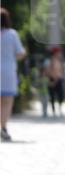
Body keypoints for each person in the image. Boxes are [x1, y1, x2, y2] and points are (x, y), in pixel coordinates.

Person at [1, 8, 26, 141]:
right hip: (8, 72)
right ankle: (3, 127)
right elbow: (20, 53)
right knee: (6, 101)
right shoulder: (12, 34)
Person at [44, 47, 64, 116]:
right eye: (59, 52)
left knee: (60, 95)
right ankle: (53, 111)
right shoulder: (49, 61)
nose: (60, 54)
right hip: (52, 79)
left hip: (59, 79)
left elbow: (60, 71)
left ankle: (60, 109)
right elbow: (47, 71)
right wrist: (53, 79)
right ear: (55, 53)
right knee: (52, 96)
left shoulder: (59, 61)